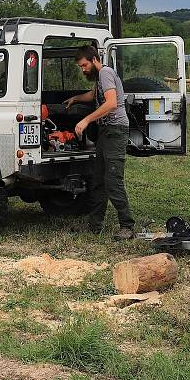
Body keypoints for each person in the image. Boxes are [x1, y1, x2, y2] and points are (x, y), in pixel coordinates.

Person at [64, 45, 135, 240]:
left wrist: (86, 120)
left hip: (115, 131)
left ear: (94, 59)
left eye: (84, 65)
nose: (83, 69)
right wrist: (76, 99)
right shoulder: (100, 77)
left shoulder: (105, 72)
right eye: (80, 66)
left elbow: (111, 103)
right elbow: (94, 95)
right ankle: (94, 225)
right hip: (106, 131)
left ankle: (127, 226)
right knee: (98, 180)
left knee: (113, 180)